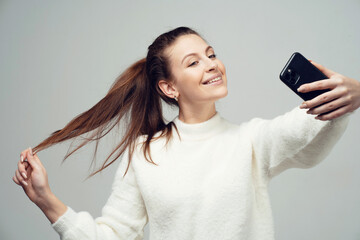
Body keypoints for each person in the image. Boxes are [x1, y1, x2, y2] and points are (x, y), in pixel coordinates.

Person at [13, 26, 360, 240]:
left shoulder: (251, 141)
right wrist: (46, 200)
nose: (211, 65)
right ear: (169, 87)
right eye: (193, 62)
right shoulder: (144, 153)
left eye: (211, 55)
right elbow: (114, 236)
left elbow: (312, 128)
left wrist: (352, 93)